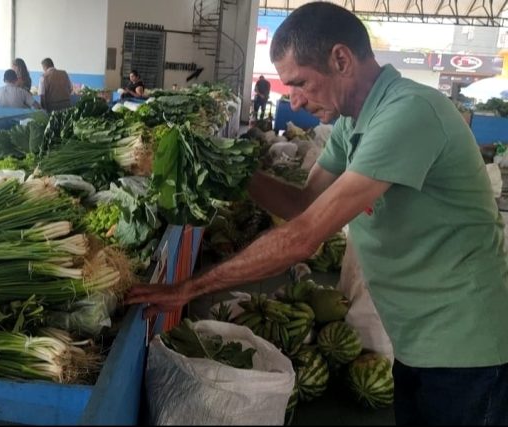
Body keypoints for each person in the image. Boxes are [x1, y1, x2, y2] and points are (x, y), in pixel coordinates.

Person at [125, 3, 508, 426]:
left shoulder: (410, 113)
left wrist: (189, 288)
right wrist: (231, 170)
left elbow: (306, 234)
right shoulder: (352, 123)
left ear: (341, 59)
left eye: (301, 83)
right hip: (419, 338)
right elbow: (304, 202)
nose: (295, 100)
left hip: (467, 347)